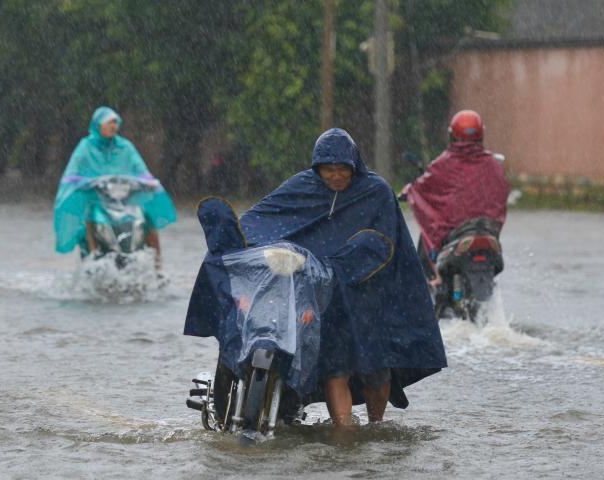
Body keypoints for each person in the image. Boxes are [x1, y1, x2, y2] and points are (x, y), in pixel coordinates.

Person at [187, 128, 446, 428]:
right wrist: (237, 249)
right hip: (309, 289)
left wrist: (350, 266)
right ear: (317, 167)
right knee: (332, 368)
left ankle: (375, 429)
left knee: (376, 369)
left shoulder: (376, 193)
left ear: (354, 166)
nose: (335, 176)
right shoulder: (302, 187)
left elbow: (387, 244)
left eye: (342, 169)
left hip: (361, 293)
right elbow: (261, 221)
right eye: (328, 169)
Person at [53, 106, 177, 268]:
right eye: (109, 122)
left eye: (116, 122)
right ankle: (94, 259)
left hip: (125, 201)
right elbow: (72, 174)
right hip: (97, 200)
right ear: (98, 125)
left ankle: (158, 267)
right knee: (89, 217)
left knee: (147, 218)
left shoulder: (125, 147)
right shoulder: (86, 147)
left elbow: (141, 170)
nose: (113, 126)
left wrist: (150, 182)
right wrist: (87, 183)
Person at [402, 110, 509, 283]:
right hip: (488, 234)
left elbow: (423, 188)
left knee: (429, 235)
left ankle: (430, 282)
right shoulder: (494, 165)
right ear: (481, 134)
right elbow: (501, 195)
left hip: (455, 236)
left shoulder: (444, 164)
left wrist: (410, 191)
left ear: (452, 135)